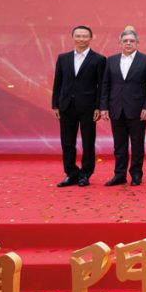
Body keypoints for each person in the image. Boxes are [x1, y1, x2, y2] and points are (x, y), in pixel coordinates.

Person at [100, 29, 146, 186]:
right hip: (116, 108)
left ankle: (136, 174)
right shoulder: (110, 60)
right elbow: (105, 85)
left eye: (132, 41)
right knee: (119, 145)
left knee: (137, 144)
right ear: (119, 43)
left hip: (138, 110)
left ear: (137, 43)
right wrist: (104, 107)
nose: (128, 43)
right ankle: (119, 175)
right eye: (125, 41)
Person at [51, 25, 106, 187]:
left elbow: (101, 85)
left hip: (89, 107)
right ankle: (71, 173)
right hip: (66, 105)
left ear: (90, 38)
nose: (81, 39)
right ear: (73, 37)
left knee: (88, 141)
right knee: (67, 142)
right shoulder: (63, 58)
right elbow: (58, 83)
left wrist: (98, 107)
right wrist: (55, 105)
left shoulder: (99, 59)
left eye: (84, 36)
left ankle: (85, 174)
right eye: (78, 36)